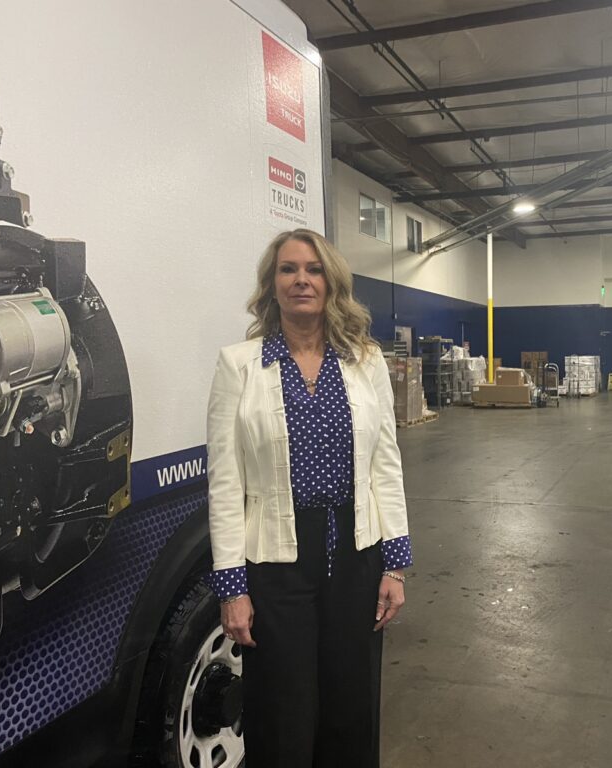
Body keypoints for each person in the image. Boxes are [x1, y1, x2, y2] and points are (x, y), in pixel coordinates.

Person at [205, 228, 412, 767]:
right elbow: (226, 484)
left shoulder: (365, 362)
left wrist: (395, 566)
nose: (302, 279)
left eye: (314, 269)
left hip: (356, 552)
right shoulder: (240, 365)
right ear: (271, 285)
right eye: (288, 269)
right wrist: (232, 587)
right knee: (282, 710)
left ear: (332, 283)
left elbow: (385, 466)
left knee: (352, 705)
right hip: (277, 560)